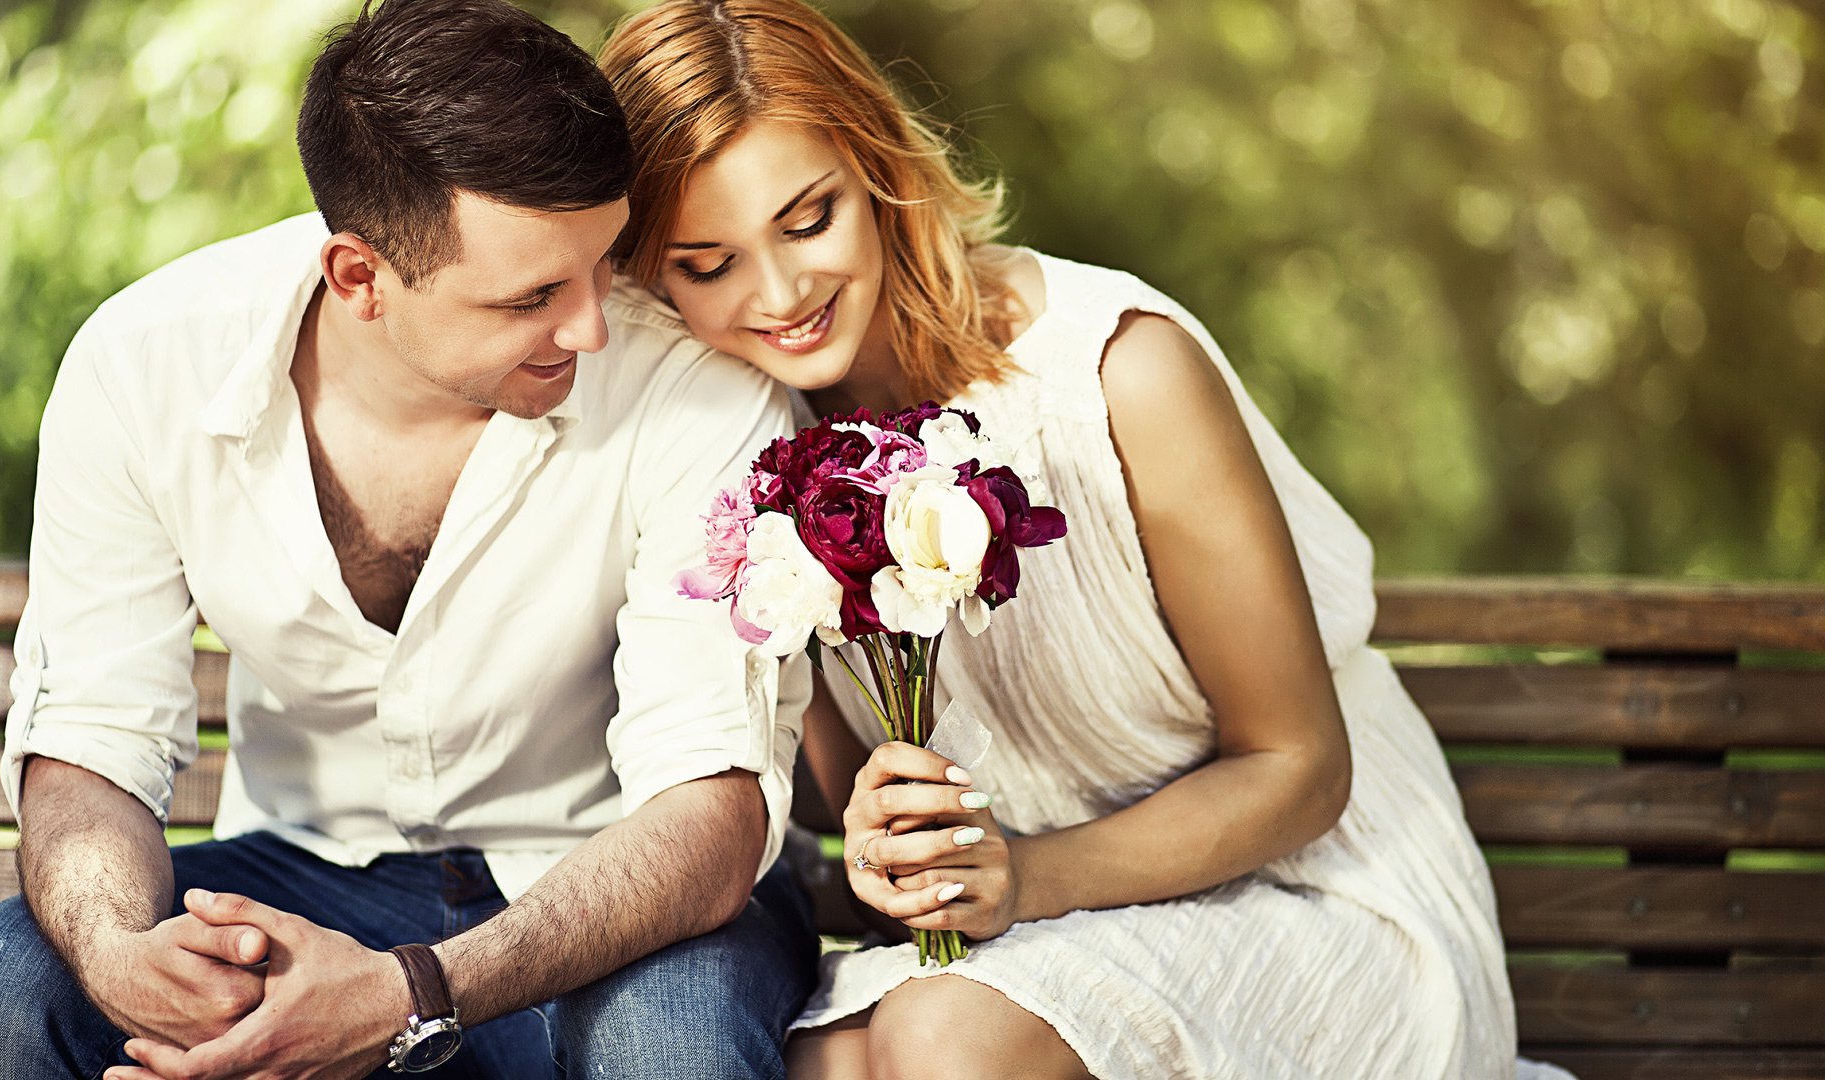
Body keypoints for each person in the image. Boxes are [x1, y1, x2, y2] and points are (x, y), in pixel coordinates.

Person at [595, 3, 1555, 1078]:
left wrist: (1026, 876)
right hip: (1033, 930)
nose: (777, 296)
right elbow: (843, 781)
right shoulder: (762, 447)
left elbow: (1299, 769)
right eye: (706, 265)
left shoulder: (1119, 375)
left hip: (1320, 894)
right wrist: (881, 821)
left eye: (807, 219)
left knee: (946, 1041)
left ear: (875, 168)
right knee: (827, 1065)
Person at [0, 1, 819, 1077]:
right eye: (532, 296)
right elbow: (94, 738)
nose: (592, 326)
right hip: (299, 875)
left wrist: (407, 992)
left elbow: (706, 810)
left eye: (602, 262)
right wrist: (123, 956)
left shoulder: (698, 394)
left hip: (614, 900)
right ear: (360, 279)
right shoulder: (145, 366)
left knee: (673, 1049)